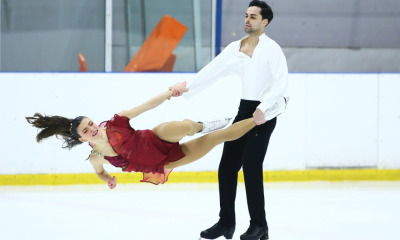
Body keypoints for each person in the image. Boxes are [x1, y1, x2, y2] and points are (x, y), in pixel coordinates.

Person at [171, 1, 289, 240]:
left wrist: (264, 108)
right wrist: (186, 87)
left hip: (264, 114)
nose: (247, 20)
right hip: (244, 111)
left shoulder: (272, 49)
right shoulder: (236, 47)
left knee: (251, 167)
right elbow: (212, 70)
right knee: (227, 167)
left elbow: (282, 83)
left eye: (253, 17)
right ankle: (226, 222)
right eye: (246, 15)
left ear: (264, 22)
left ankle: (259, 226)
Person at [26, 82, 283, 188]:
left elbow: (147, 105)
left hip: (157, 138)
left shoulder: (116, 123)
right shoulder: (96, 157)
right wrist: (108, 180)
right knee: (219, 138)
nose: (92, 128)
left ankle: (202, 124)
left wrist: (171, 92)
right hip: (164, 161)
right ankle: (263, 116)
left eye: (90, 123)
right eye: (86, 130)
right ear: (83, 139)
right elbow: (101, 173)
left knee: (183, 126)